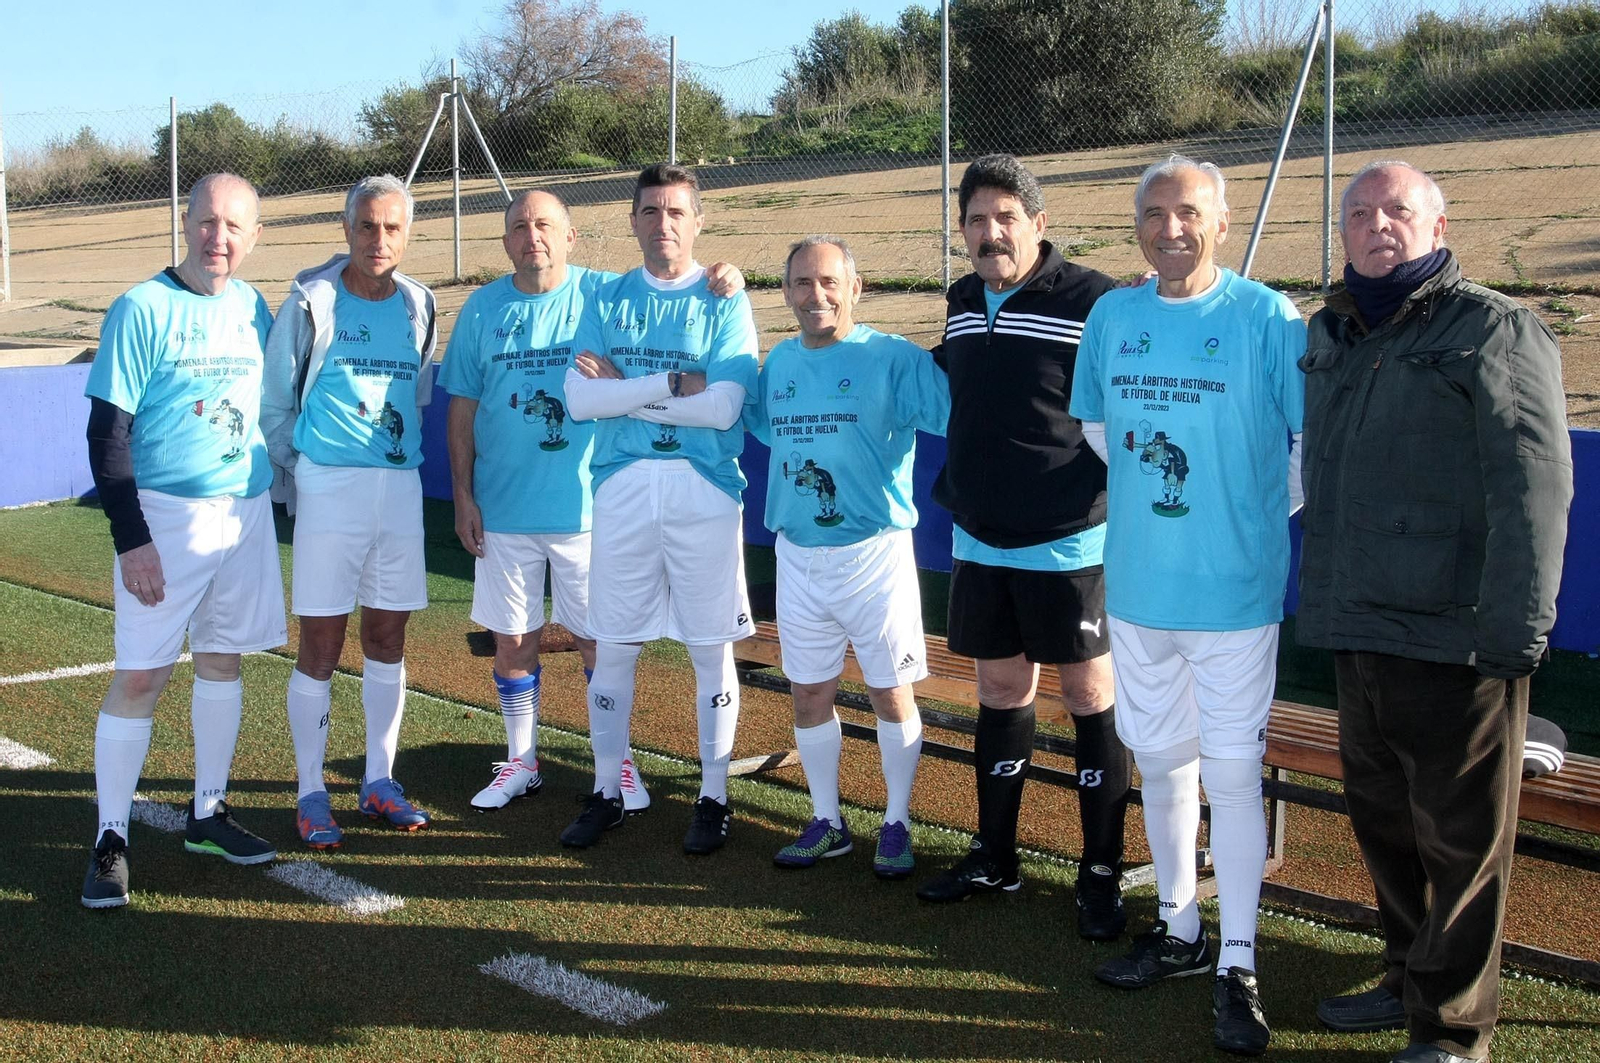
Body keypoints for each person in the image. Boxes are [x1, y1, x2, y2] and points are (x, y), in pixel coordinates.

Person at [1298, 160, 1572, 1063]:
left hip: (1456, 635)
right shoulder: (1332, 331)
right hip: (1358, 628)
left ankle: (1454, 1029)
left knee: (1461, 845)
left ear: (1439, 223)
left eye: (1399, 211)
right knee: (1384, 824)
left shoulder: (1494, 329)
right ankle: (1403, 976)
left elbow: (1535, 489)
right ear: (1342, 232)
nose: (1379, 225)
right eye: (1361, 213)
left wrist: (1516, 633)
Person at [1070, 154, 1306, 1057]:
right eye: (1155, 213)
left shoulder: (1265, 317)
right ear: (1137, 225)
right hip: (1137, 592)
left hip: (1235, 599)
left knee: (1234, 776)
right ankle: (1178, 928)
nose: (1172, 228)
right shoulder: (1114, 316)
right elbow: (1102, 432)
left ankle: (1237, 959)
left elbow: (1305, 445)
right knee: (1164, 765)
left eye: (1189, 213)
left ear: (1223, 219)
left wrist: (1246, 511)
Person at [441, 188, 745, 814]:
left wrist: (725, 271)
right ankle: (522, 760)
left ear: (572, 237)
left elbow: (673, 279)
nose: (534, 238)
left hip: (587, 510)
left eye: (546, 225)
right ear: (505, 241)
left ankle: (619, 765)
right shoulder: (481, 308)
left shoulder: (603, 294)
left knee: (599, 641)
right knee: (513, 640)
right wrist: (463, 495)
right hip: (502, 509)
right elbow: (464, 408)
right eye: (520, 227)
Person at [914, 154, 1133, 945]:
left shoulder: (1095, 299)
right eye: (975, 219)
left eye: (1005, 217)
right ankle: (995, 855)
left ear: (1039, 225)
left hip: (1070, 538)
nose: (989, 232)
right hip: (979, 535)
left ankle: (1100, 870)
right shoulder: (964, 300)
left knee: (1087, 697)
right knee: (1002, 691)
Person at [80, 173, 286, 908]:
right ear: (186, 222)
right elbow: (108, 433)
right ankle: (111, 838)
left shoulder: (255, 307)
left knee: (224, 660)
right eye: (206, 221)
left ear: (254, 236)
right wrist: (132, 539)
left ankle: (208, 811)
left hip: (244, 511)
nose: (218, 237)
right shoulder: (142, 307)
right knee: (141, 675)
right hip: (165, 520)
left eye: (234, 225)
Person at [558, 163, 760, 855]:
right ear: (633, 219)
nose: (664, 223)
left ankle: (713, 796)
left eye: (677, 211)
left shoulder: (723, 296)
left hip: (704, 492)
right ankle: (607, 790)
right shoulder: (608, 297)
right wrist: (678, 383)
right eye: (651, 211)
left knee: (710, 650)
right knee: (613, 645)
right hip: (621, 490)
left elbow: (725, 405)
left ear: (698, 221)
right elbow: (581, 399)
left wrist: (635, 390)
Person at [751, 235, 949, 878]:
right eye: (803, 283)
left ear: (856, 289)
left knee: (891, 693)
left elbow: (962, 408)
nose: (817, 295)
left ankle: (895, 820)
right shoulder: (776, 364)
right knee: (808, 693)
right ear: (786, 293)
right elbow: (738, 414)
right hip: (799, 556)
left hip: (874, 556)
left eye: (830, 282)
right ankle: (827, 821)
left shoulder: (894, 358)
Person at [261, 175, 437, 848]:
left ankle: (379, 780)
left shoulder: (420, 304)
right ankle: (310, 791)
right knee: (322, 643)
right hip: (330, 487)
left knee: (388, 638)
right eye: (367, 226)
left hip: (398, 489)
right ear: (347, 230)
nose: (379, 239)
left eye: (392, 228)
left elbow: (413, 397)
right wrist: (303, 472)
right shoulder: (312, 301)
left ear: (407, 233)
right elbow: (276, 403)